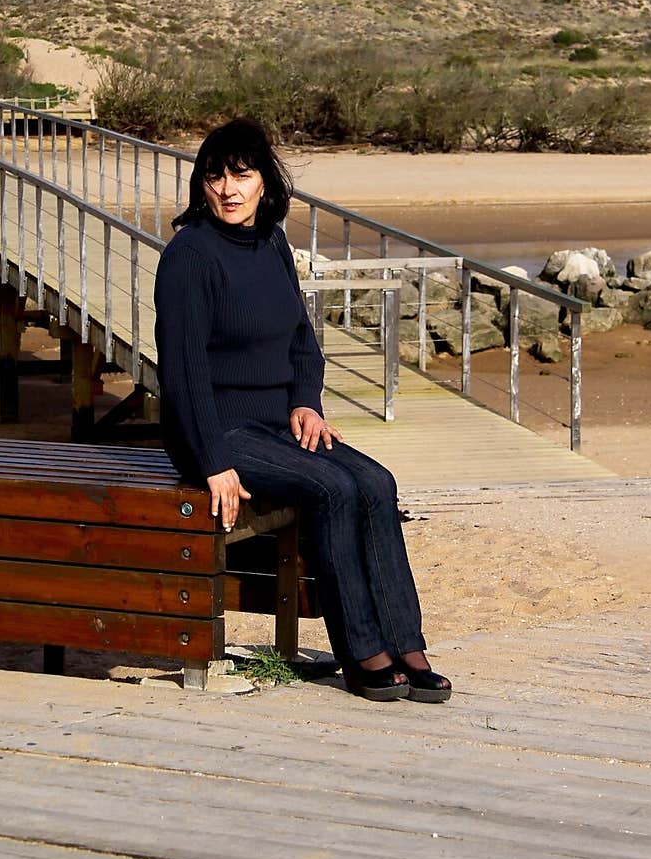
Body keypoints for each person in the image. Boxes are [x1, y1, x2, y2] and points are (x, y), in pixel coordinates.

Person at [153, 117, 451, 704]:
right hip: (214, 430)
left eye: (241, 174)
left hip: (274, 423)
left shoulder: (270, 243)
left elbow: (302, 343)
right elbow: (182, 372)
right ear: (200, 186)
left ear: (266, 180)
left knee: (373, 480)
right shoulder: (189, 256)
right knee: (332, 489)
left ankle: (405, 641)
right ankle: (362, 652)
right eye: (214, 177)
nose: (228, 189)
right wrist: (212, 461)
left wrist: (305, 404)